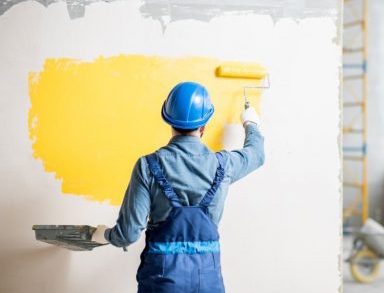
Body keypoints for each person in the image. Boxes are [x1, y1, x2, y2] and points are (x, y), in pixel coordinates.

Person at [91, 81, 265, 292]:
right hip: (208, 282)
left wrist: (103, 234)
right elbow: (256, 155)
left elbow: (128, 234)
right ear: (204, 127)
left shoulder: (148, 166)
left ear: (168, 120)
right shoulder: (224, 165)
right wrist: (251, 124)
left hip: (162, 282)